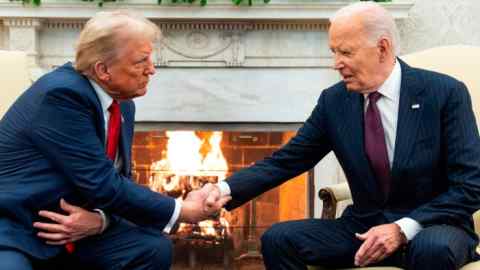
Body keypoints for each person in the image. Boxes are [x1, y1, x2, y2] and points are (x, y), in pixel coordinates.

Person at [207, 2, 480, 270]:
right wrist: (222, 190)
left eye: (346, 52)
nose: (336, 64)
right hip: (364, 228)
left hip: (432, 226)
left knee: (434, 250)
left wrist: (401, 229)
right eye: (334, 52)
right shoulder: (334, 102)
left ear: (382, 48)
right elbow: (287, 160)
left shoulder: (444, 93)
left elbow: (470, 185)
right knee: (279, 240)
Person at [0, 11, 229, 270]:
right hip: (19, 229)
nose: (151, 69)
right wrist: (182, 210)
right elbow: (102, 184)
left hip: (76, 229)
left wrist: (101, 220)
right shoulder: (61, 96)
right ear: (103, 70)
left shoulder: (122, 104)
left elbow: (119, 179)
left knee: (152, 248)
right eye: (141, 61)